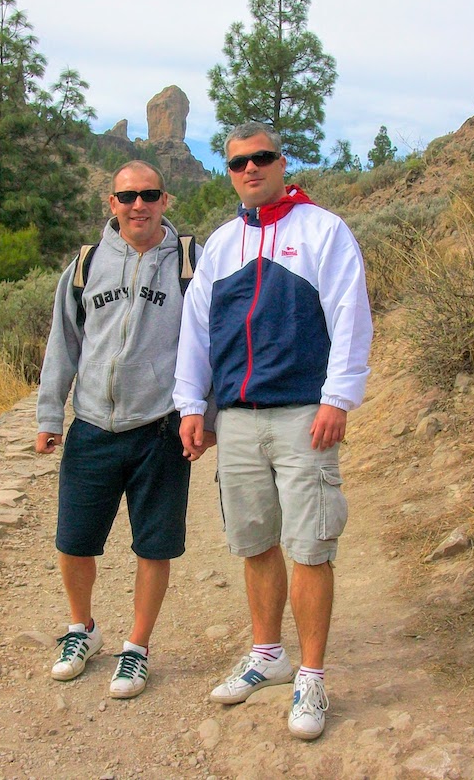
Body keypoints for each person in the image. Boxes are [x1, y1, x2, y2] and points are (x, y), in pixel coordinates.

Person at [174, 121, 372, 740]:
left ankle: (311, 674)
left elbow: (350, 313)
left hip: (302, 415)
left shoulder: (323, 231)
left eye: (262, 158)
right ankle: (268, 654)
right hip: (235, 420)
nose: (251, 170)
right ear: (228, 172)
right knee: (254, 541)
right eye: (238, 163)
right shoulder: (221, 244)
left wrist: (338, 397)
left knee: (311, 544)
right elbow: (196, 332)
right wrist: (190, 406)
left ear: (283, 162)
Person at [36, 160, 212, 699]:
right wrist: (50, 415)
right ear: (111, 204)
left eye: (149, 194)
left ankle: (136, 648)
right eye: (127, 196)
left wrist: (204, 414)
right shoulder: (87, 264)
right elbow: (63, 342)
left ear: (166, 200)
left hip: (159, 429)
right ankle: (80, 630)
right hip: (92, 424)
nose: (138, 204)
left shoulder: (190, 262)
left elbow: (210, 342)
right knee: (74, 540)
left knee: (153, 546)